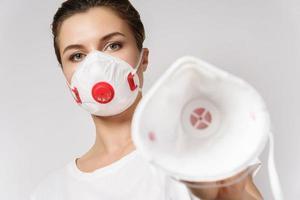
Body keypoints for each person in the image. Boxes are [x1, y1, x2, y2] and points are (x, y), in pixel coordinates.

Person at [30, 0, 263, 199]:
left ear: (143, 59)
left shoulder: (196, 148)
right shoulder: (50, 192)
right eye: (77, 55)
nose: (96, 67)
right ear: (65, 75)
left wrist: (229, 195)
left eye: (113, 45)